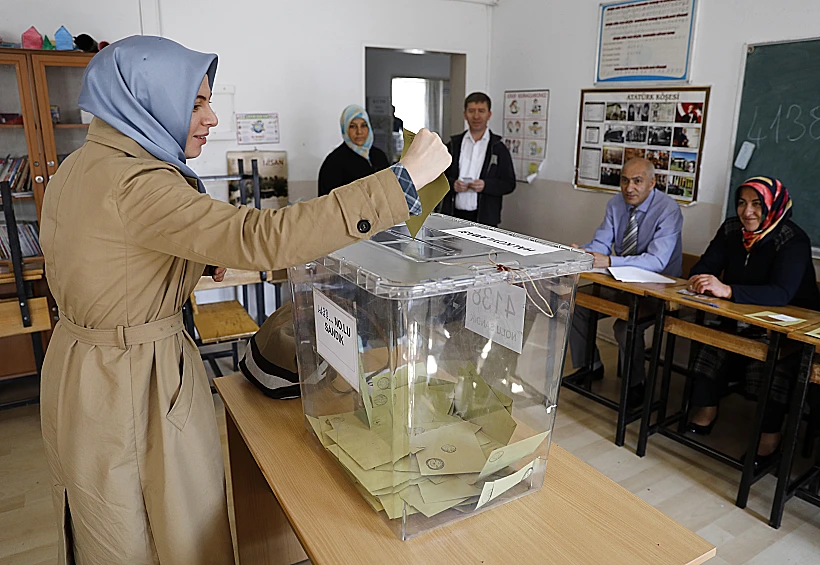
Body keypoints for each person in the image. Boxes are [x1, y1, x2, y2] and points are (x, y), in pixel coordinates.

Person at [37, 35, 449, 565]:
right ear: (147, 103)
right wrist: (401, 183)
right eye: (195, 104)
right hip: (132, 379)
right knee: (164, 528)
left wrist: (183, 261)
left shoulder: (80, 165)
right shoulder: (137, 183)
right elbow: (261, 236)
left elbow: (104, 262)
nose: (210, 118)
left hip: (80, 368)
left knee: (109, 520)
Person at [685, 177, 820, 467]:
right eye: (742, 203)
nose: (747, 212)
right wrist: (700, 279)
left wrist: (728, 290)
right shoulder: (732, 229)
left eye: (757, 204)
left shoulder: (792, 239)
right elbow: (704, 266)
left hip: (789, 327)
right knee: (710, 342)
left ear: (773, 205)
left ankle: (770, 436)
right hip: (741, 316)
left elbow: (781, 293)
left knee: (772, 364)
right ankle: (707, 409)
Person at [569, 158, 683, 409]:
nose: (629, 188)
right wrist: (585, 253)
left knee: (625, 326)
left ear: (652, 183)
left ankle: (635, 384)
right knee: (576, 305)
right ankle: (590, 365)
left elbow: (657, 261)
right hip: (623, 282)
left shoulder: (669, 210)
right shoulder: (615, 204)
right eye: (624, 180)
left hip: (659, 288)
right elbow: (601, 243)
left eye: (637, 181)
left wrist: (609, 260)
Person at [439, 92, 516, 227]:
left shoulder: (498, 148)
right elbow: (438, 177)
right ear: (465, 114)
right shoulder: (453, 145)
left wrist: (486, 185)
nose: (476, 116)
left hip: (485, 219)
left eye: (481, 111)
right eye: (471, 111)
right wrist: (452, 184)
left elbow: (509, 183)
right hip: (452, 217)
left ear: (489, 115)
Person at [318, 105, 390, 197]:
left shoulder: (379, 156)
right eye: (352, 126)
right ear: (345, 129)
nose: (359, 132)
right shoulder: (334, 162)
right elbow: (328, 201)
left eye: (363, 125)